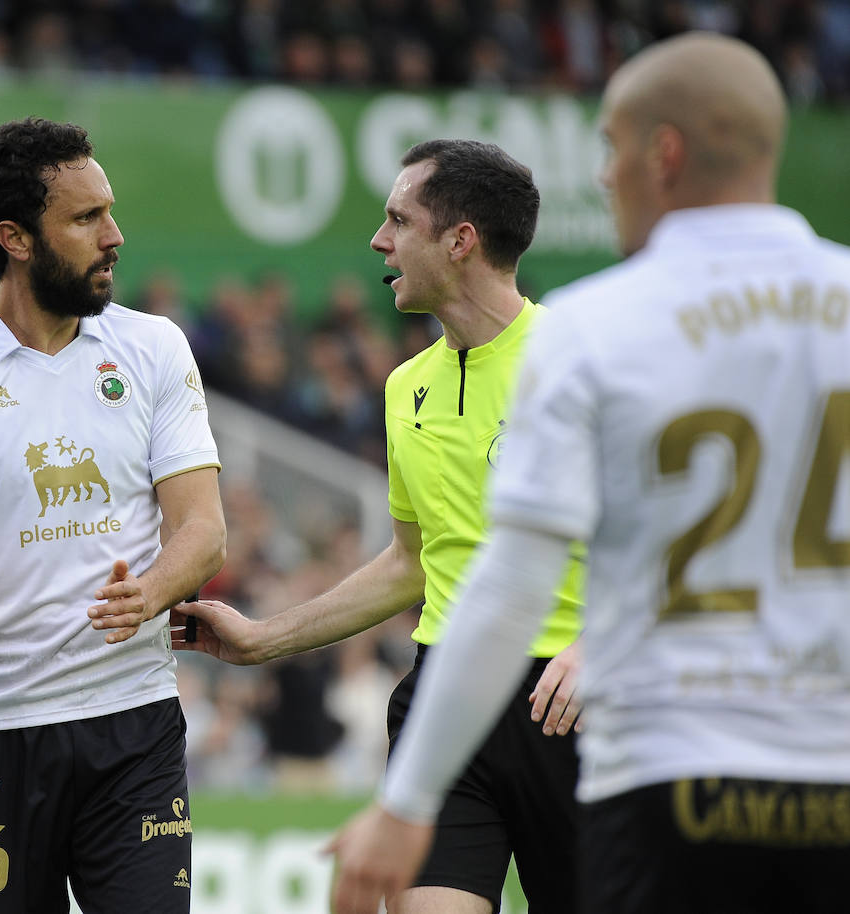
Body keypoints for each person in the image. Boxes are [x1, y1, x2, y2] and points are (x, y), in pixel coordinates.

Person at [329, 32, 850, 914]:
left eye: (610, 149)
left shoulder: (591, 329)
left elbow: (509, 587)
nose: (605, 176)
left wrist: (404, 800)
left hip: (665, 768)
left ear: (666, 155)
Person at [173, 139, 587, 914]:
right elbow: (410, 562)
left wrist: (605, 643)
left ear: (460, 241)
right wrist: (264, 638)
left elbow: (679, 539)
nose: (379, 240)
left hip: (570, 705)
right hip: (447, 698)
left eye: (399, 220)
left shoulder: (580, 362)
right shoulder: (406, 388)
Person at [0, 117, 225, 913]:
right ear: (16, 238)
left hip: (134, 722)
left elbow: (203, 529)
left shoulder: (154, 348)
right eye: (85, 218)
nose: (115, 235)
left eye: (109, 210)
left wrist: (151, 590)